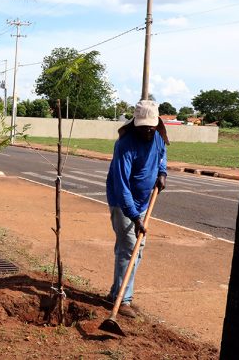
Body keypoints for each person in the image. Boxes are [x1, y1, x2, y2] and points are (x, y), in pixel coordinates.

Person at [105, 100, 168, 318]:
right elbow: (121, 186)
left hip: (143, 202)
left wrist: (162, 173)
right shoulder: (125, 145)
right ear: (136, 124)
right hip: (122, 203)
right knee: (130, 247)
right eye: (143, 126)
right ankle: (124, 300)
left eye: (151, 126)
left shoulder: (158, 137)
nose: (148, 130)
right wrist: (135, 217)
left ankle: (117, 293)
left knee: (134, 248)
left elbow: (162, 156)